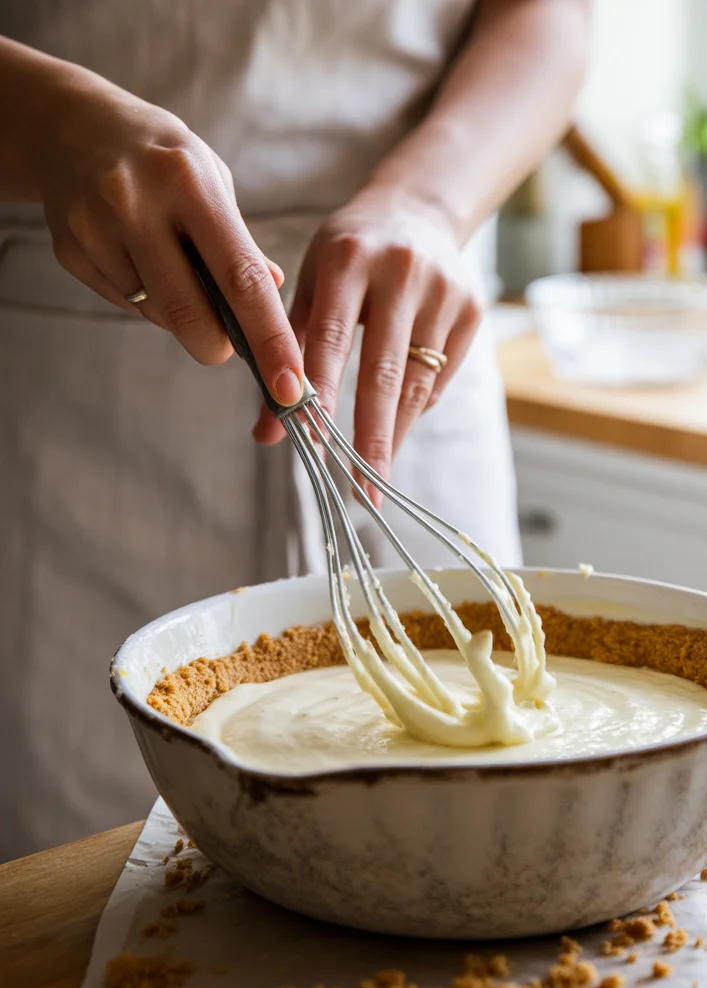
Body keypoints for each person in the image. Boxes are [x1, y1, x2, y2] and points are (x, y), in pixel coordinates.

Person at [0, 1, 588, 861]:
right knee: (95, 876)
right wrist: (49, 122)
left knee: (476, 844)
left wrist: (427, 201)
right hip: (80, 384)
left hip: (403, 331)